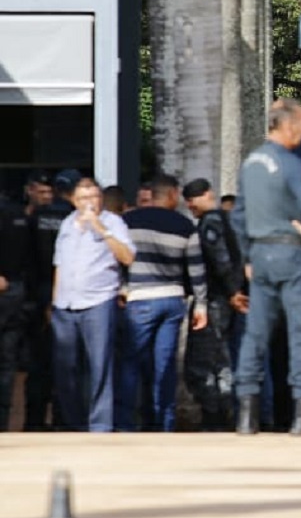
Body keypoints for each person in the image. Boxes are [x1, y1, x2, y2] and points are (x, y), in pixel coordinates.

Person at [229, 97, 301, 435]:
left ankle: (246, 415)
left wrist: (247, 258)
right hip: (287, 251)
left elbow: (238, 217)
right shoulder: (290, 163)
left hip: (259, 255)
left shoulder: (250, 162)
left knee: (255, 335)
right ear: (286, 125)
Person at [116, 174, 209, 432]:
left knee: (132, 363)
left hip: (139, 299)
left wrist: (121, 289)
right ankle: (163, 425)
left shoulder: (127, 223)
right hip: (172, 300)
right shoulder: (184, 226)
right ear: (170, 196)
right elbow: (196, 269)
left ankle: (125, 424)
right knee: (165, 363)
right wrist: (201, 305)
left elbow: (116, 261)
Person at [51, 177, 135, 432]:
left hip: (98, 301)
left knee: (100, 366)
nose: (90, 203)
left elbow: (128, 256)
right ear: (74, 200)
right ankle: (74, 424)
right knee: (65, 368)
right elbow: (60, 265)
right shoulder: (66, 224)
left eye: (94, 197)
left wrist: (101, 229)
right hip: (65, 305)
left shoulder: (113, 222)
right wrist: (54, 303)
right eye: (84, 198)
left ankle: (100, 426)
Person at [183, 178, 248, 430]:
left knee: (204, 362)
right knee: (221, 360)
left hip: (214, 300)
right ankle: (223, 414)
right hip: (224, 299)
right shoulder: (227, 220)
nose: (190, 205)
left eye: (193, 199)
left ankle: (215, 418)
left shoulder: (210, 222)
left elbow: (219, 257)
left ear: (207, 195)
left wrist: (232, 291)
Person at [25, 169, 76, 431]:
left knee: (39, 362)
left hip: (38, 293)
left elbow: (28, 257)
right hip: (67, 295)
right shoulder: (74, 219)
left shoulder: (36, 217)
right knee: (67, 362)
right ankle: (62, 419)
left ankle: (33, 420)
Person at [0, 193, 34, 431]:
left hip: (14, 291)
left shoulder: (14, 214)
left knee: (7, 360)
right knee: (7, 361)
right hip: (16, 289)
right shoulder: (17, 213)